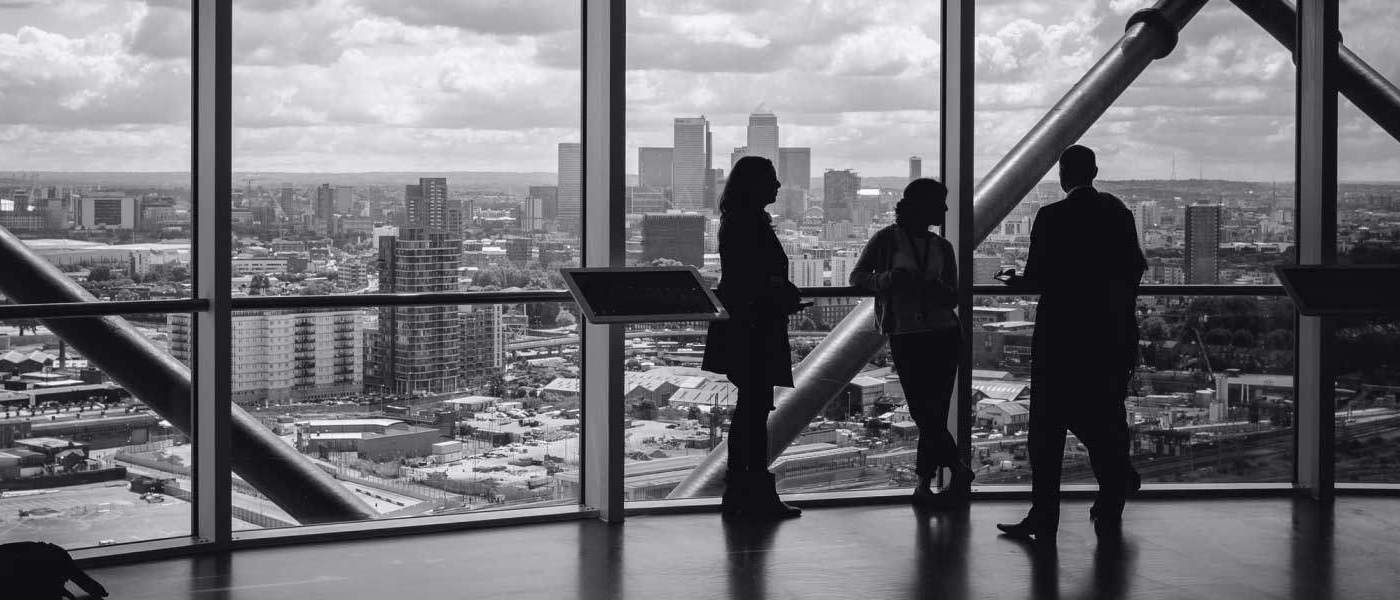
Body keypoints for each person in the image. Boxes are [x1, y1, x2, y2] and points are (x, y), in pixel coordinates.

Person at [995, 145, 1146, 541]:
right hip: (1110, 336)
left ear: (1063, 175)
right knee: (1106, 416)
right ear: (1094, 172)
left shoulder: (1052, 216)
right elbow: (1135, 269)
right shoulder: (1119, 213)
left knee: (1047, 431)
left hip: (1061, 338)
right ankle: (1112, 496)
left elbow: (1037, 278)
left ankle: (1045, 516)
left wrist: (1012, 280)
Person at [851, 178, 973, 507]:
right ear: (922, 207)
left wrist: (928, 288)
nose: (945, 209)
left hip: (939, 333)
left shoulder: (941, 246)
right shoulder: (886, 240)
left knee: (931, 413)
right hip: (914, 334)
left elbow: (953, 296)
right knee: (926, 412)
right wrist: (890, 280)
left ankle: (925, 483)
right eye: (939, 203)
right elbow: (858, 277)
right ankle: (955, 469)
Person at [701, 156, 805, 520]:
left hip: (744, 325)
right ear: (755, 185)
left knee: (750, 411)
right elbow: (754, 277)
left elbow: (742, 277)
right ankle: (754, 491)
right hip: (755, 327)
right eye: (772, 179)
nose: (778, 185)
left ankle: (742, 491)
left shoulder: (737, 221)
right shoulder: (749, 223)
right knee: (754, 412)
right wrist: (780, 293)